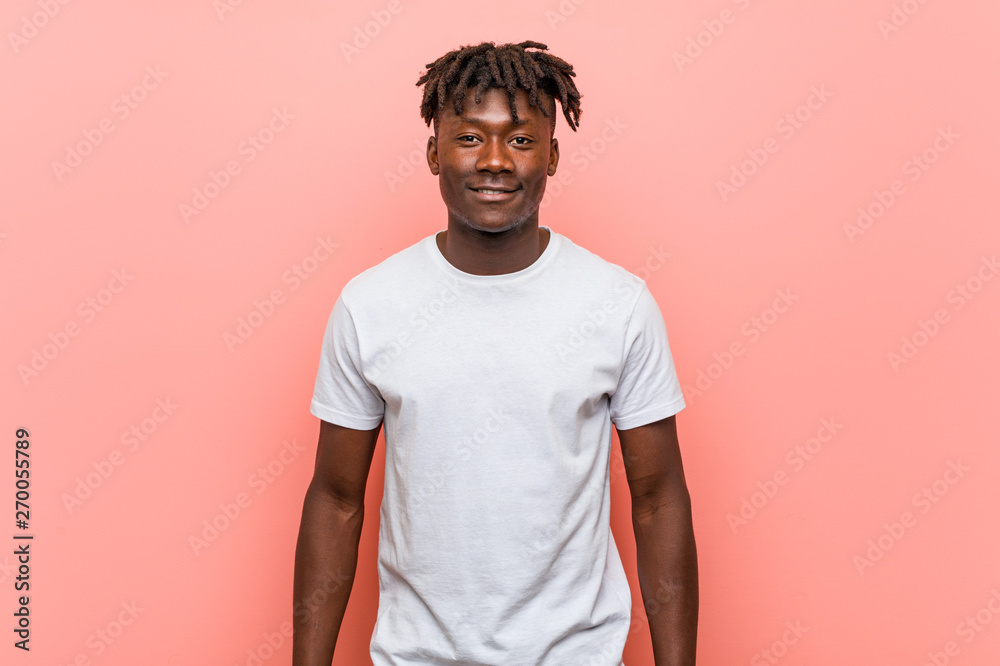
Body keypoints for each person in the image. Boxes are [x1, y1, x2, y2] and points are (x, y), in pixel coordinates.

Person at [292, 40, 697, 666]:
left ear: (552, 155)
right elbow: (336, 498)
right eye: (470, 138)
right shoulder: (370, 305)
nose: (495, 161)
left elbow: (659, 498)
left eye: (522, 139)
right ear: (434, 152)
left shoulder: (617, 304)